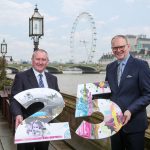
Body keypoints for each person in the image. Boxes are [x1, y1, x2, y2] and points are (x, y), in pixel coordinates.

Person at [105, 35, 150, 150]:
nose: (118, 50)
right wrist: (87, 98)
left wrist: (130, 110)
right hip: (114, 123)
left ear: (128, 47)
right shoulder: (110, 67)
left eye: (121, 47)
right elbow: (107, 91)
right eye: (115, 48)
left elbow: (148, 94)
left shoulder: (141, 65)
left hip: (134, 124)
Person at [10, 49, 59, 150]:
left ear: (47, 62)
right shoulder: (21, 77)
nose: (40, 62)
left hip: (46, 125)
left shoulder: (53, 79)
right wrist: (18, 114)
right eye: (38, 59)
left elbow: (57, 99)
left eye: (43, 59)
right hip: (26, 125)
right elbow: (14, 100)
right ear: (32, 60)